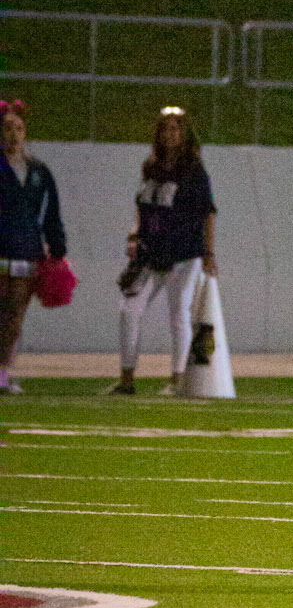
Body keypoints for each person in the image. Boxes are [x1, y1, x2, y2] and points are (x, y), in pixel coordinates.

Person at [109, 106, 218, 398]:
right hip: (151, 251)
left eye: (175, 129)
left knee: (178, 313)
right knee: (129, 310)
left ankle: (177, 380)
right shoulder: (151, 166)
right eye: (165, 129)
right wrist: (134, 235)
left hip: (183, 253)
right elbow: (142, 208)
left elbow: (208, 212)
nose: (169, 134)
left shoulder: (193, 170)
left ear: (184, 134)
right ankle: (126, 380)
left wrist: (209, 253)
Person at [0, 99, 67, 398]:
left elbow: (51, 213)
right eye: (7, 128)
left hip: (27, 251)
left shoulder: (39, 170)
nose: (13, 134)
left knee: (14, 317)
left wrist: (58, 249)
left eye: (18, 128)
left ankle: (2, 374)